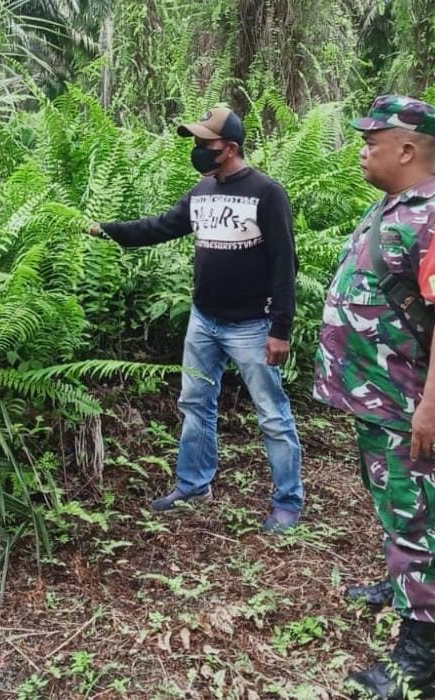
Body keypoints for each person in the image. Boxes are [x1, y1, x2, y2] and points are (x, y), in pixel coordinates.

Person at [312, 95, 435, 698]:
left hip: (407, 402)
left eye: (371, 142)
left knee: (418, 513)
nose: (362, 151)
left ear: (407, 149)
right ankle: (399, 583)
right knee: (390, 495)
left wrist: (433, 406)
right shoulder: (394, 207)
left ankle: (419, 656)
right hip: (373, 397)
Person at [88, 107, 305, 534]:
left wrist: (281, 329)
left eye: (205, 144)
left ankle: (287, 502)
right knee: (195, 404)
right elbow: (163, 226)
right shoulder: (203, 189)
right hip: (204, 320)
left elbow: (285, 265)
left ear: (230, 149)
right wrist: (104, 229)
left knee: (272, 414)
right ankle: (193, 486)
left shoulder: (267, 192)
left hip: (252, 325)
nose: (198, 150)